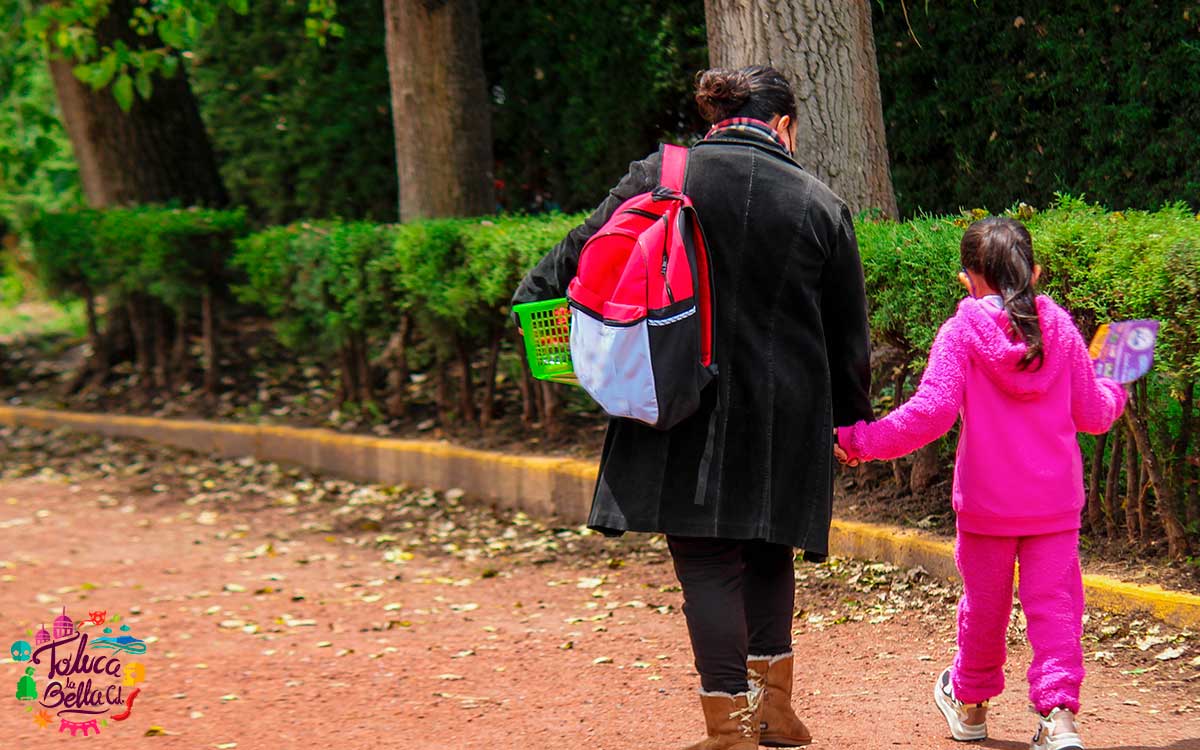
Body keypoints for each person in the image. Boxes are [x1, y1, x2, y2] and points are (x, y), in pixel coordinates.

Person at [512, 66, 872, 749]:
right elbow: (847, 337)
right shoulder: (819, 202)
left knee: (707, 563)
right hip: (784, 416)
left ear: (718, 121)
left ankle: (728, 727)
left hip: (678, 401)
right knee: (769, 551)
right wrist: (851, 422)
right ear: (785, 126)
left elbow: (568, 262)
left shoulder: (663, 172)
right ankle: (775, 712)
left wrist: (544, 324)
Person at [834, 217, 1126, 750]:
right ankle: (1059, 720)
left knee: (983, 610)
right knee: (1057, 609)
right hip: (1054, 506)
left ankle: (969, 706)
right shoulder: (1059, 328)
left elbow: (930, 415)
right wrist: (1115, 381)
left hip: (988, 507)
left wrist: (859, 440)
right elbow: (1094, 413)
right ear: (1033, 271)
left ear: (968, 277)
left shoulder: (961, 333)